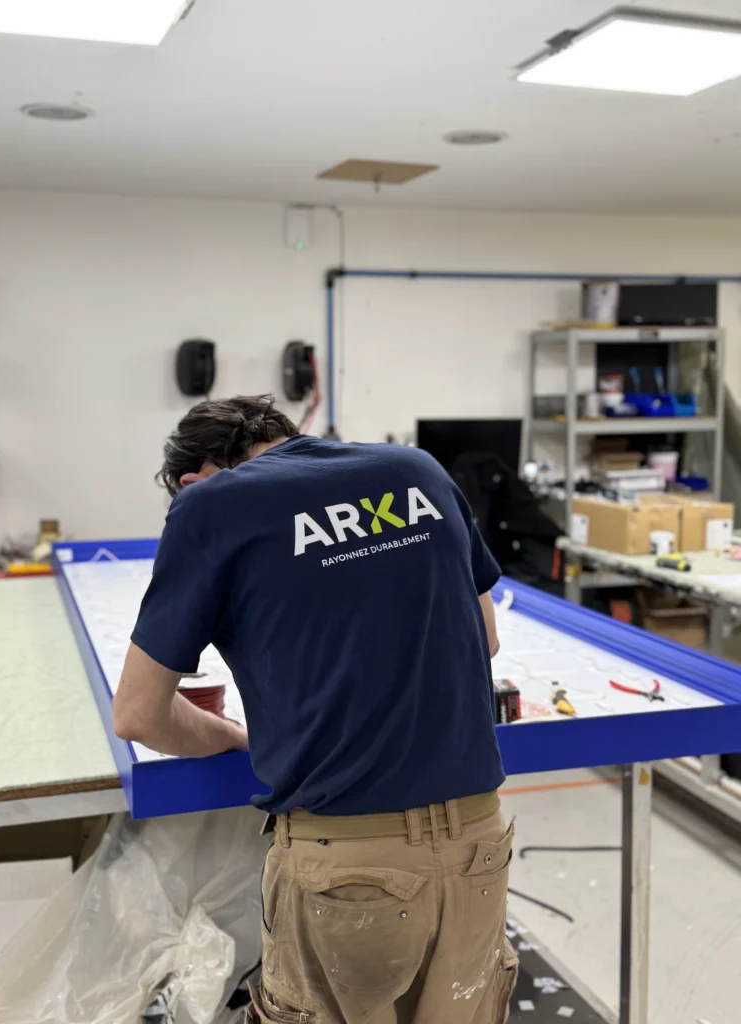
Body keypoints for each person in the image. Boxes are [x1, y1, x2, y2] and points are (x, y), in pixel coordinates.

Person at [114, 395, 516, 1024]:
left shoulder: (210, 506)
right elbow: (484, 638)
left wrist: (230, 737)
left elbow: (138, 715)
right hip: (478, 849)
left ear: (196, 479)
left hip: (348, 868)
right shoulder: (418, 470)